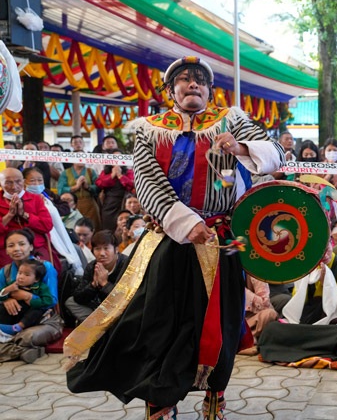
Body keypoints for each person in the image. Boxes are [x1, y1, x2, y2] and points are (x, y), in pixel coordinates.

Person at [64, 56, 284, 420]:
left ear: (210, 90)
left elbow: (275, 153)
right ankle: (160, 402)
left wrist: (241, 148)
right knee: (158, 323)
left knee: (223, 321)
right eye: (184, 79)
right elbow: (148, 181)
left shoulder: (232, 121)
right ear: (170, 91)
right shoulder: (150, 130)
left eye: (200, 79)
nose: (193, 84)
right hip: (170, 240)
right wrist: (183, 222)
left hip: (221, 239)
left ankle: (216, 395)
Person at [65, 231, 127, 324]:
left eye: (106, 248)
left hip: (121, 310)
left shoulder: (126, 265)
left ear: (116, 249)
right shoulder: (92, 266)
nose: (102, 253)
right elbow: (78, 297)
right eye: (97, 249)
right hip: (99, 307)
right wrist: (93, 285)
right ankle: (96, 325)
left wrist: (105, 284)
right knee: (70, 302)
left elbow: (124, 299)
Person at [0, 168, 54, 268]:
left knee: (44, 269)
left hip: (35, 245)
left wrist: (24, 214)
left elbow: (47, 225)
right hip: (6, 248)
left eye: (18, 181)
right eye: (8, 182)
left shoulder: (36, 199)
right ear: (0, 184)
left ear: (24, 182)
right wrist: (9, 215)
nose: (14, 186)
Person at [0, 258, 54, 340]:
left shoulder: (41, 287)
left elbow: (47, 301)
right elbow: (1, 296)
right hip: (15, 312)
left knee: (37, 311)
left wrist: (30, 299)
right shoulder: (14, 284)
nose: (21, 277)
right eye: (19, 273)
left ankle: (18, 327)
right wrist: (8, 289)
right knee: (3, 307)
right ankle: (4, 328)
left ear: (36, 279)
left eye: (27, 275)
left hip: (28, 314)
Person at [57, 154, 101, 232]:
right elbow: (60, 190)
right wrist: (75, 187)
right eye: (78, 157)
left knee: (93, 227)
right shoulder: (65, 173)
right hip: (71, 205)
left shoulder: (90, 171)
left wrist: (87, 187)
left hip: (89, 204)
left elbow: (98, 188)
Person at [95, 149, 135, 232]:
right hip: (109, 202)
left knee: (125, 224)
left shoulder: (128, 171)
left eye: (119, 157)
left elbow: (131, 185)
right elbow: (99, 183)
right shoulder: (105, 172)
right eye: (115, 157)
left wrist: (120, 175)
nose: (117, 160)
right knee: (108, 225)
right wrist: (112, 175)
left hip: (124, 200)